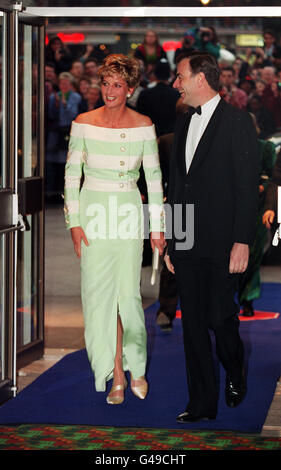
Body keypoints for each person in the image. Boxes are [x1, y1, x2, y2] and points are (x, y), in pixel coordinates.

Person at [64, 54, 165, 405]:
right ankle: (114, 372)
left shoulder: (144, 124)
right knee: (97, 298)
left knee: (129, 296)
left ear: (130, 89)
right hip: (92, 214)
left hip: (126, 214)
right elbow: (71, 176)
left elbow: (154, 179)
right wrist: (74, 224)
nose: (109, 91)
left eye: (117, 85)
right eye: (105, 83)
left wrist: (158, 227)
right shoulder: (83, 122)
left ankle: (135, 367)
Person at [165, 50, 259, 423]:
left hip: (224, 242)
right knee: (192, 326)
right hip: (186, 239)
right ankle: (201, 402)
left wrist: (242, 240)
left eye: (180, 77)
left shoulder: (238, 122)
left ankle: (235, 370)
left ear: (200, 79)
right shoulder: (184, 122)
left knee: (221, 318)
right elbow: (177, 186)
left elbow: (247, 188)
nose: (176, 83)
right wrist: (173, 239)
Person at [238, 116, 277, 316]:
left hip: (258, 210)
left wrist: (261, 187)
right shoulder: (229, 148)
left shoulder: (266, 148)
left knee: (253, 256)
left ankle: (248, 299)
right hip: (231, 210)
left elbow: (274, 178)